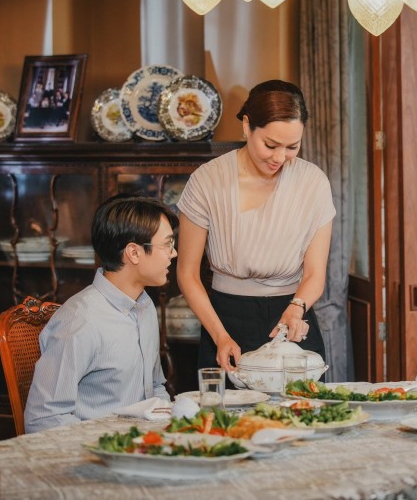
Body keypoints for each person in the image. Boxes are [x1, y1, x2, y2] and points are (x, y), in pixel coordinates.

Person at [176, 79, 335, 373]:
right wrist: (220, 335)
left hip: (291, 318)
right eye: (270, 145)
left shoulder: (313, 183)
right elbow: (187, 273)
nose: (280, 158)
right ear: (247, 126)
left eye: (292, 147)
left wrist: (297, 306)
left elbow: (315, 273)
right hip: (224, 320)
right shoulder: (208, 180)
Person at [24, 194, 178, 433]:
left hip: (144, 444)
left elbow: (155, 387)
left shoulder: (145, 306)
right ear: (134, 252)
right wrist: (109, 445)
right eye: (167, 244)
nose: (173, 253)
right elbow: (43, 418)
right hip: (98, 448)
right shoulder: (80, 320)